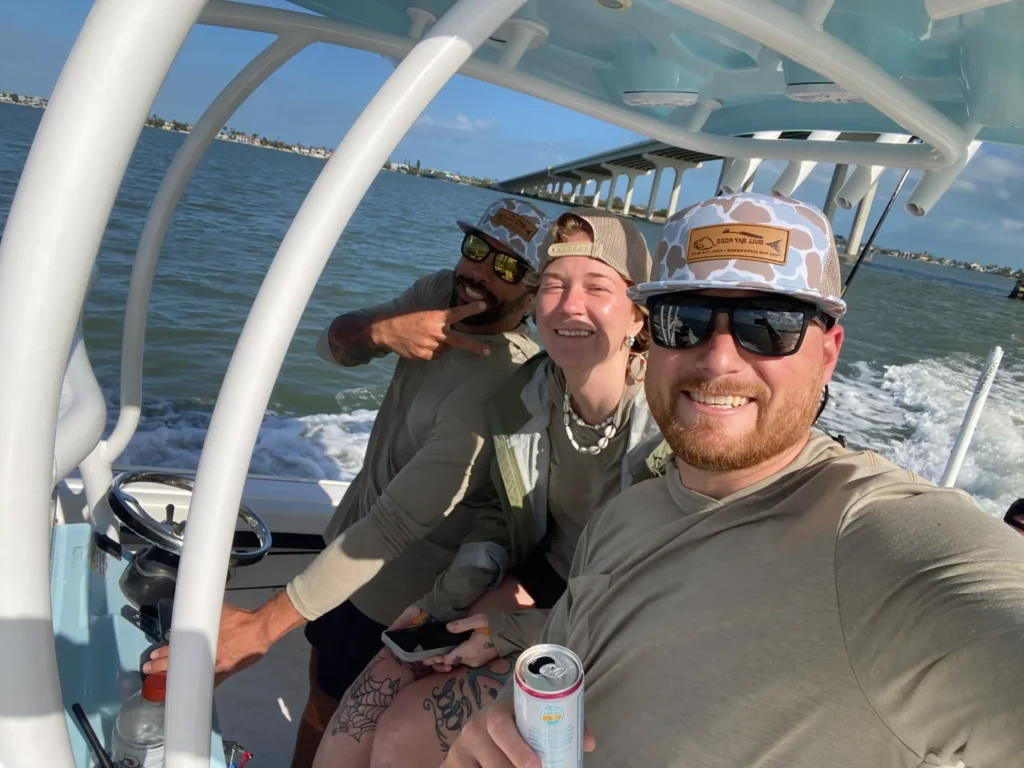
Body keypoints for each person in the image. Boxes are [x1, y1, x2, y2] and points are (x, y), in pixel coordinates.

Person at [443, 192, 1024, 768]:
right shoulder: (624, 517)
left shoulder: (881, 541)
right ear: (654, 336)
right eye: (683, 320)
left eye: (770, 325)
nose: (718, 359)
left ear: (828, 353)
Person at [144, 198, 550, 767]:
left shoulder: (505, 379)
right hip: (345, 546)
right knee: (319, 699)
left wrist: (261, 629)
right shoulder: (440, 293)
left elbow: (399, 522)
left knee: (340, 723)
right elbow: (332, 345)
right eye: (476, 250)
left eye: (507, 268)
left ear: (534, 295)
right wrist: (387, 332)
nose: (480, 273)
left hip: (399, 586)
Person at [310, 209, 670, 768]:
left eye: (596, 286)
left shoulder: (673, 432)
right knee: (356, 716)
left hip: (617, 616)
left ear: (638, 318)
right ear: (537, 301)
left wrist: (510, 628)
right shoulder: (525, 396)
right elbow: (503, 517)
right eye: (555, 283)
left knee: (403, 733)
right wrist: (444, 600)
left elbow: (664, 600)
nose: (570, 304)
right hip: (543, 580)